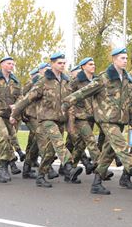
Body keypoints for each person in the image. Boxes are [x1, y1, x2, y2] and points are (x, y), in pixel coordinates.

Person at [66, 47, 132, 194]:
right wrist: (66, 102)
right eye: (122, 58)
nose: (125, 61)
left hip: (120, 120)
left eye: (126, 58)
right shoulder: (104, 77)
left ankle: (96, 183)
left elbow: (131, 103)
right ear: (114, 59)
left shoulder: (127, 79)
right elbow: (83, 92)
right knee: (121, 145)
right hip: (106, 120)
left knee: (108, 152)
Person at [12, 52, 83, 187]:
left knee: (50, 151)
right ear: (52, 64)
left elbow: (70, 102)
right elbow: (27, 98)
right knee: (59, 142)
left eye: (64, 63)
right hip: (46, 118)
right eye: (59, 63)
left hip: (60, 119)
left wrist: (71, 122)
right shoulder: (43, 81)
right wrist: (14, 114)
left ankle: (40, 176)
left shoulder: (66, 81)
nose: (62, 65)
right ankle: (68, 165)